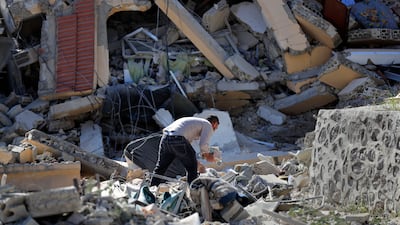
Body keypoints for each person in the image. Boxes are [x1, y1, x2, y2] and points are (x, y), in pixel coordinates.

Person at [150, 115, 220, 186]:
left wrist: (196, 162)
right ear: (214, 123)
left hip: (165, 138)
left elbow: (186, 149)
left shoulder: (194, 124)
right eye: (216, 127)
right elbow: (203, 145)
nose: (215, 129)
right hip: (177, 138)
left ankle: (151, 188)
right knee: (191, 168)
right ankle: (193, 190)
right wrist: (208, 155)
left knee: (161, 167)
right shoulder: (208, 124)